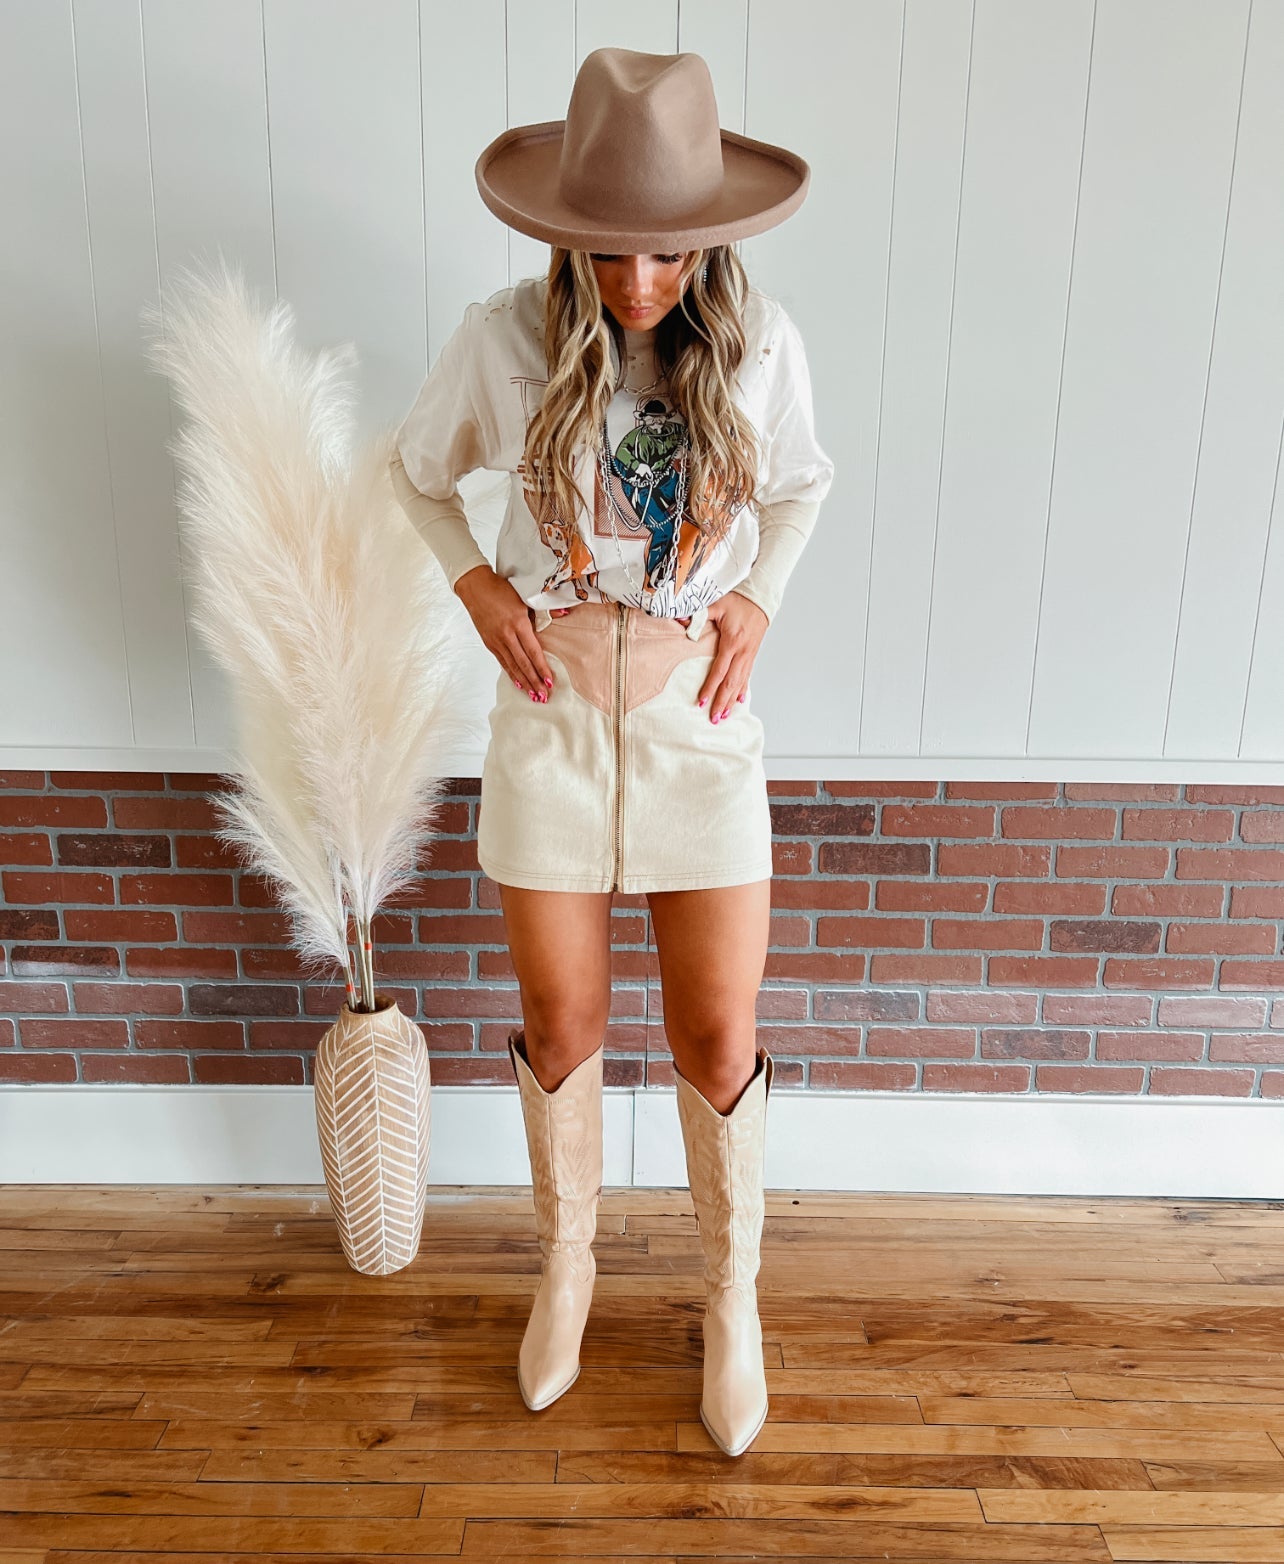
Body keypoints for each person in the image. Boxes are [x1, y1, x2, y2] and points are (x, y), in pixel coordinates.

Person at [390, 47, 835, 1459]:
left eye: (666, 247)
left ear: (710, 233)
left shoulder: (761, 345)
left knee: (716, 1035)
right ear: (560, 229)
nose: (637, 278)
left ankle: (732, 1297)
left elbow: (805, 485)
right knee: (564, 1024)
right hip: (552, 726)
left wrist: (758, 594)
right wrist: (480, 588)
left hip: (701, 731)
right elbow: (413, 471)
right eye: (607, 247)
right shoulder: (498, 338)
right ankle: (568, 1270)